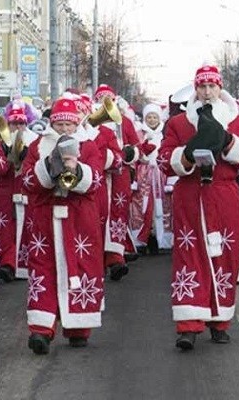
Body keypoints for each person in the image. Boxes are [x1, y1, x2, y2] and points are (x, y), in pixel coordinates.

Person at [159, 63, 239, 349]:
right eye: (201, 87)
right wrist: (187, 154)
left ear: (220, 88)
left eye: (211, 86)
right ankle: (188, 325)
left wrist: (229, 142)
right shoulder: (179, 124)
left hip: (224, 195)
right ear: (195, 89)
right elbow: (163, 160)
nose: (206, 92)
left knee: (226, 256)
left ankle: (220, 321)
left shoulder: (238, 121)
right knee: (189, 257)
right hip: (190, 196)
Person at [21, 97, 104, 354]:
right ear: (52, 125)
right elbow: (26, 179)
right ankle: (41, 330)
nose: (65, 130)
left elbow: (96, 180)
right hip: (45, 217)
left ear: (77, 124)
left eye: (70, 125)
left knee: (80, 269)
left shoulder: (88, 147)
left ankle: (78, 327)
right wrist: (48, 166)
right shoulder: (38, 146)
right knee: (42, 270)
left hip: (79, 220)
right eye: (60, 125)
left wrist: (76, 170)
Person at [93, 84, 141, 280]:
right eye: (101, 98)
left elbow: (137, 148)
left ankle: (115, 258)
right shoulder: (91, 123)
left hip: (119, 175)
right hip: (100, 176)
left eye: (108, 98)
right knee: (97, 215)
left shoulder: (125, 123)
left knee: (118, 215)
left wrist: (131, 153)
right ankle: (97, 258)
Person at [0, 103, 38, 281]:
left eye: (21, 123)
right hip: (4, 194)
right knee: (6, 229)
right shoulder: (0, 143)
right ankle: (8, 263)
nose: (18, 127)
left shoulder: (33, 140)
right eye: (14, 123)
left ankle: (12, 264)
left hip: (20, 192)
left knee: (16, 229)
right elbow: (3, 168)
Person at [130, 103, 173, 253]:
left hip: (161, 175)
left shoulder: (166, 133)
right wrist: (141, 155)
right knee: (141, 205)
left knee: (163, 207)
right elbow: (134, 153)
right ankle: (141, 239)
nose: (152, 120)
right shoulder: (139, 133)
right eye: (149, 117)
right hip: (144, 175)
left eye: (155, 117)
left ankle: (163, 240)